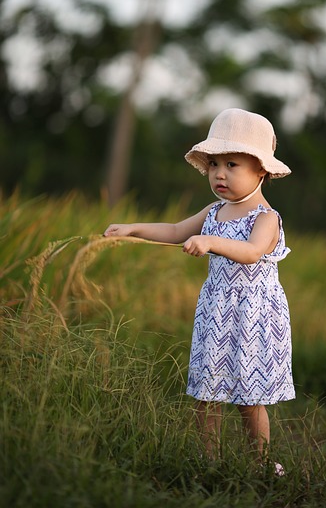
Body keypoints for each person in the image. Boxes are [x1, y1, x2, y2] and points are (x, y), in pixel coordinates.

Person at [104, 108, 295, 475]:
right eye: (214, 164)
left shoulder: (266, 219)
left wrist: (211, 242)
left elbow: (252, 252)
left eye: (232, 164)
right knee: (206, 393)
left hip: (252, 317)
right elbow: (176, 230)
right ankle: (208, 463)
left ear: (261, 170)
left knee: (248, 397)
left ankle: (259, 463)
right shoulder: (214, 210)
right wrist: (132, 227)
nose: (219, 173)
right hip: (216, 311)